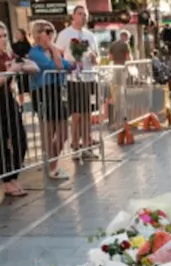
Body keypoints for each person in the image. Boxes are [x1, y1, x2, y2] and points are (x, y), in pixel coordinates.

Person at [0, 20, 35, 197]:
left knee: (20, 139)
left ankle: (14, 176)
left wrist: (20, 65)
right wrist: (13, 70)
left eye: (4, 36)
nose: (3, 39)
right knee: (1, 142)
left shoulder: (7, 55)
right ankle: (7, 182)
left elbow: (34, 67)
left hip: (8, 100)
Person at [27, 20, 72, 180]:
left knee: (63, 133)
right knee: (48, 130)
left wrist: (59, 57)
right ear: (38, 34)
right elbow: (57, 66)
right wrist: (53, 49)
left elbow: (67, 65)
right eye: (46, 31)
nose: (50, 34)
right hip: (43, 91)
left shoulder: (52, 51)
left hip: (58, 91)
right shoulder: (35, 53)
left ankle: (52, 161)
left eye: (51, 31)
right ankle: (52, 167)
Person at [57, 5, 101, 161]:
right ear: (73, 16)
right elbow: (57, 55)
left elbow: (96, 56)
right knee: (76, 114)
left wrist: (95, 59)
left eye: (85, 14)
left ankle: (87, 144)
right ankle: (75, 145)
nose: (83, 17)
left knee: (88, 113)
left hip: (89, 78)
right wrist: (69, 65)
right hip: (73, 79)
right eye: (80, 14)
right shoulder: (64, 34)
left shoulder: (90, 35)